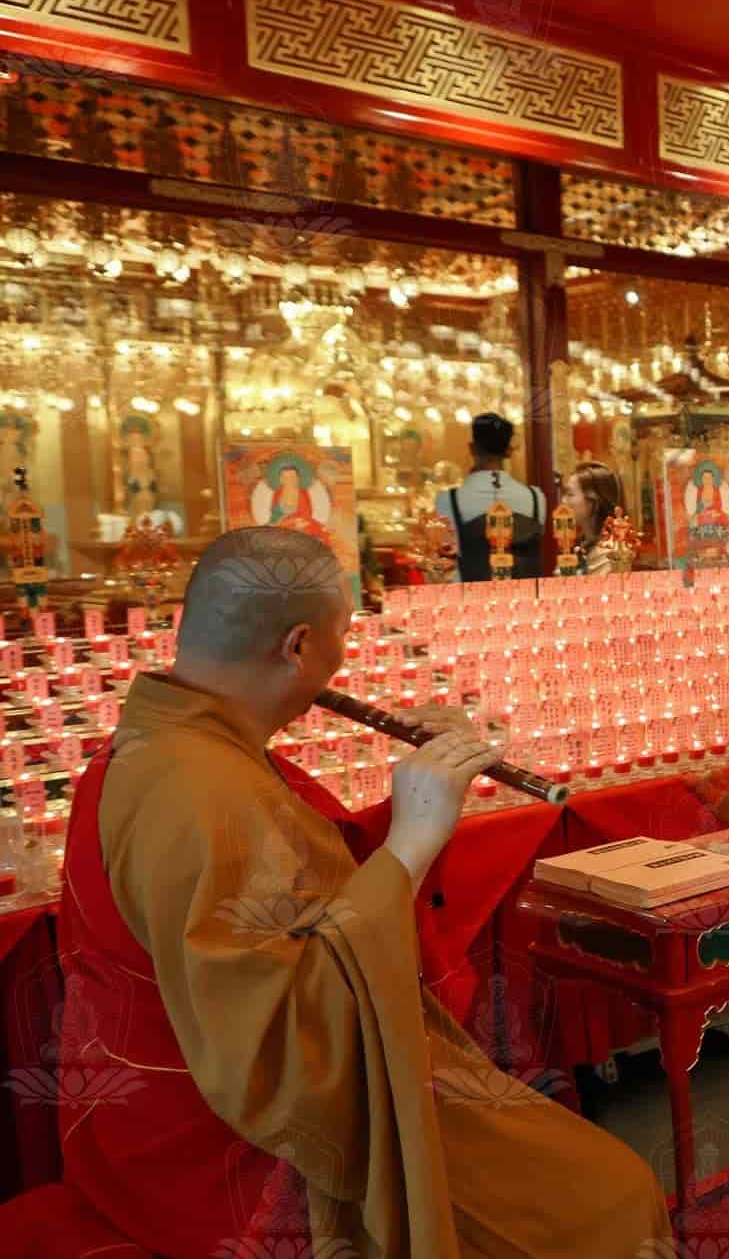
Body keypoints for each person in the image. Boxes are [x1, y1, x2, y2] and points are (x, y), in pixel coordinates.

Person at [56, 527, 669, 1256]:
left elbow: (298, 886)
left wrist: (420, 807)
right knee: (613, 1200)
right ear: (298, 647)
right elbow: (285, 1040)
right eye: (344, 634)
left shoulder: (173, 738)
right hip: (219, 1130)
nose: (345, 655)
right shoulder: (199, 789)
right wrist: (409, 843)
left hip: (174, 1086)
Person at [438, 413, 543, 581]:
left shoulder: (448, 500)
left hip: (475, 601)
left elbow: (447, 559)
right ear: (508, 451)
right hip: (526, 600)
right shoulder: (536, 497)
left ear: (472, 449)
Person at [561, 460, 626, 576]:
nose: (564, 501)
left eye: (570, 494)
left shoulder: (612, 552)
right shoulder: (581, 544)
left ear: (593, 502)